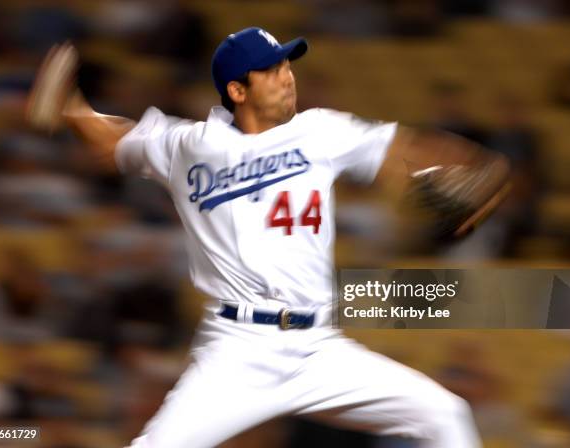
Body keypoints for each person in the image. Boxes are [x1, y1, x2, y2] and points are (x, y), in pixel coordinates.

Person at [40, 27, 510, 447]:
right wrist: (69, 105)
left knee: (446, 416)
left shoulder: (320, 131)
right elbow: (113, 140)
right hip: (238, 349)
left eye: (287, 64)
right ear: (237, 89)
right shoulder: (189, 145)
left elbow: (407, 148)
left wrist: (479, 167)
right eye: (270, 69)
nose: (287, 76)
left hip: (318, 349)